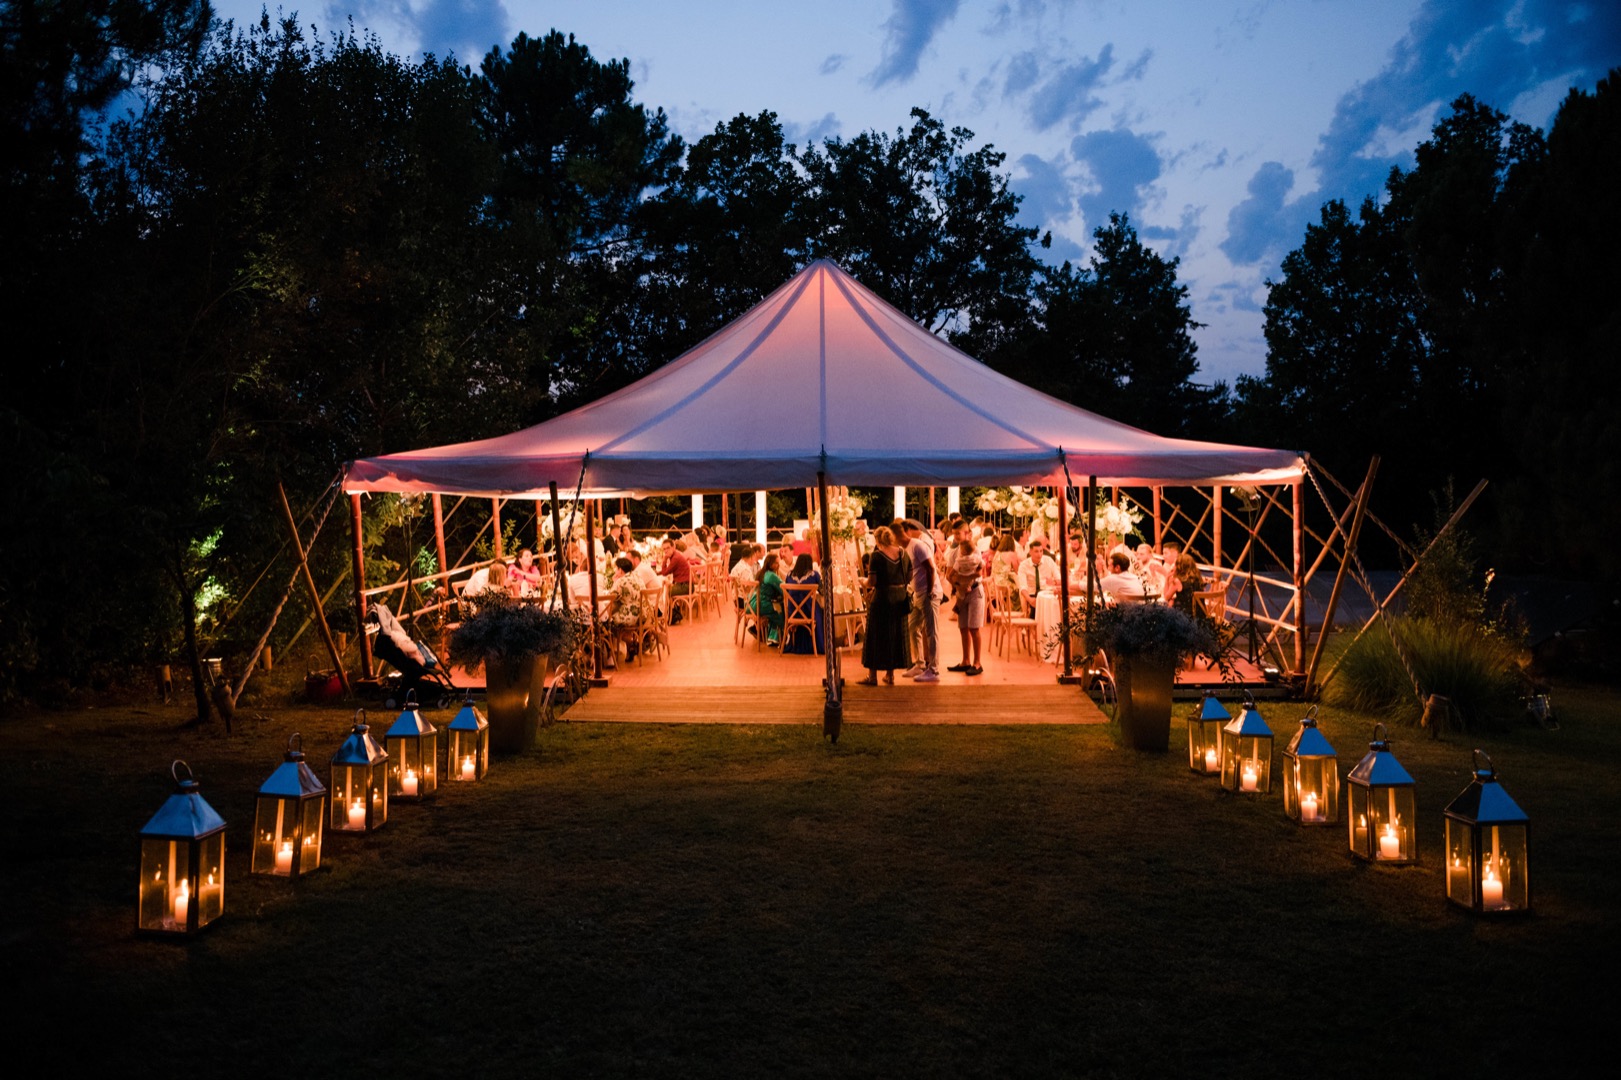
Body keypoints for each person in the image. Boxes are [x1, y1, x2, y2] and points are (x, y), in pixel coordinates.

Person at [859, 526, 912, 684]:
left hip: (882, 599)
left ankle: (872, 675)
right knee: (895, 636)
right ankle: (890, 674)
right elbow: (910, 575)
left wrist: (863, 581)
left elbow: (872, 581)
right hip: (900, 598)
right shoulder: (903, 553)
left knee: (876, 636)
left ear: (877, 540)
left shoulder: (876, 556)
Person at [901, 519, 939, 682]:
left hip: (927, 593)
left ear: (907, 530)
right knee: (912, 626)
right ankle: (919, 663)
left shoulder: (920, 544)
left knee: (931, 631)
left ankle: (934, 669)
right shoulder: (909, 545)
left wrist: (930, 591)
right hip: (917, 592)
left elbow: (930, 568)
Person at [946, 538, 985, 675]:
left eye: (959, 533)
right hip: (962, 591)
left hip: (975, 591)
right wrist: (958, 585)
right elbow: (949, 575)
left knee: (974, 628)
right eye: (954, 533)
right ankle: (965, 661)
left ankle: (977, 662)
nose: (956, 535)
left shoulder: (975, 552)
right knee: (963, 627)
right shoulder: (953, 552)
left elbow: (980, 571)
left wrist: (964, 578)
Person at [601, 556, 643, 663]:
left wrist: (615, 581)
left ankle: (629, 644)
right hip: (643, 613)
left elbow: (611, 596)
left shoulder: (621, 582)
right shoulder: (637, 577)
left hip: (631, 615)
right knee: (616, 616)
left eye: (616, 569)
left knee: (608, 623)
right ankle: (631, 647)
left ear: (620, 570)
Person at [781, 553, 823, 654]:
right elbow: (823, 591)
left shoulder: (789, 575)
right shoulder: (814, 575)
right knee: (820, 610)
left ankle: (794, 642)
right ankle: (818, 644)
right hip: (808, 612)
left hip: (792, 612)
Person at [747, 553, 785, 646]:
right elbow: (783, 588)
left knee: (776, 608)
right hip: (761, 604)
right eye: (776, 563)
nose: (778, 565)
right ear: (770, 563)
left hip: (750, 603)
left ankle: (770, 637)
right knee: (780, 611)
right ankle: (779, 639)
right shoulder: (771, 575)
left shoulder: (761, 573)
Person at [1016, 539, 1061, 615]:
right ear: (1030, 552)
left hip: (1047, 593)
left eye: (1041, 551)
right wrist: (1030, 600)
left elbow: (1059, 579)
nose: (1039, 554)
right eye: (1036, 551)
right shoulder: (1024, 565)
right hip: (1032, 594)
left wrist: (1053, 582)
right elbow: (1023, 587)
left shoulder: (1049, 561)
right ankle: (1035, 625)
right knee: (1035, 610)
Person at [658, 537, 693, 623]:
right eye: (664, 549)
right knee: (665, 590)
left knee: (664, 592)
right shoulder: (676, 555)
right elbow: (666, 571)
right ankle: (671, 614)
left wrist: (664, 560)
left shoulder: (675, 558)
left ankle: (670, 616)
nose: (666, 551)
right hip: (684, 584)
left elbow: (665, 573)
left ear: (673, 547)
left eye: (668, 548)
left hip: (686, 587)